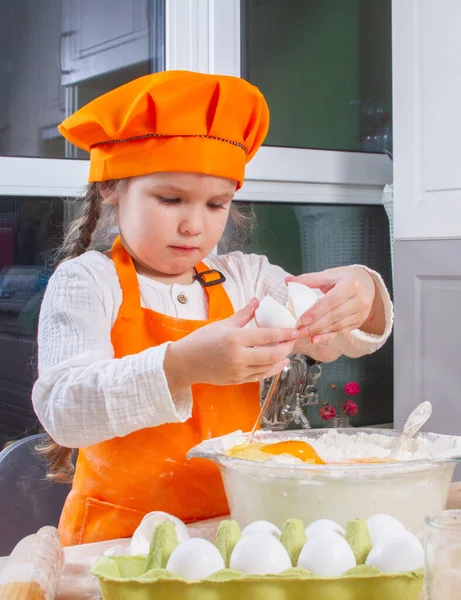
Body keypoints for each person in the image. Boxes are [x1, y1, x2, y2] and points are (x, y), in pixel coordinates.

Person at [32, 70, 393, 546]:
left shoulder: (243, 278)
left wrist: (361, 293)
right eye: (170, 198)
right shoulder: (87, 282)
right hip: (116, 541)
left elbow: (332, 338)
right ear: (111, 188)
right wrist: (182, 364)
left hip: (230, 532)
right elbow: (65, 410)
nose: (193, 226)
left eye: (216, 204)